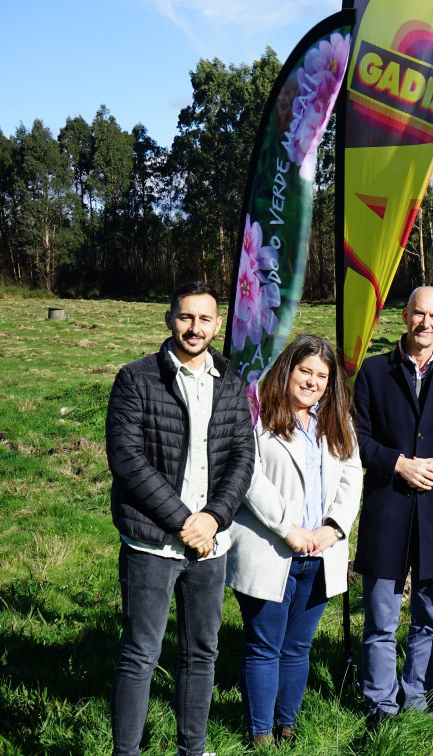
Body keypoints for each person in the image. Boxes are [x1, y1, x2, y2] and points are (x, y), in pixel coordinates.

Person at [105, 280, 254, 756]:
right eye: (186, 317)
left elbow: (241, 457)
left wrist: (213, 518)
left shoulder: (230, 380)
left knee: (201, 652)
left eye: (205, 319)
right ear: (170, 319)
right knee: (141, 654)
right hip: (153, 542)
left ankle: (193, 748)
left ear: (217, 323)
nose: (195, 327)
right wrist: (183, 521)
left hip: (210, 544)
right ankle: (126, 752)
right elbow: (127, 458)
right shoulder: (136, 378)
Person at [225, 335, 363, 748]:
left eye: (322, 375)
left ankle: (288, 726)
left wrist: (334, 527)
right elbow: (247, 476)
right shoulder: (259, 415)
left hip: (321, 553)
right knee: (265, 645)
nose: (313, 381)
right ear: (288, 370)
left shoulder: (336, 419)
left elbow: (352, 474)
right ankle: (260, 735)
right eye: (305, 371)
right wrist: (289, 529)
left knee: (298, 646)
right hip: (270, 548)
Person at [352, 286, 433, 728]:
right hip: (387, 510)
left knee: (429, 619)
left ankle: (417, 698)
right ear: (404, 317)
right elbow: (357, 439)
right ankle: (381, 704)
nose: (425, 322)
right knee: (381, 619)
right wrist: (397, 463)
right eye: (418, 313)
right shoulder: (373, 372)